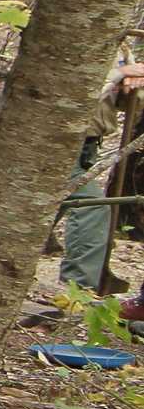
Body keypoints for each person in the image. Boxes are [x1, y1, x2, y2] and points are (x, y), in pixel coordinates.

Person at [62, 55, 144, 294]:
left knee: (47, 210)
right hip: (59, 143)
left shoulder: (115, 45)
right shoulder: (72, 39)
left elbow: (119, 99)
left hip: (86, 145)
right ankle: (78, 290)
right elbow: (73, 90)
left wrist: (130, 83)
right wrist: (119, 75)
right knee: (92, 206)